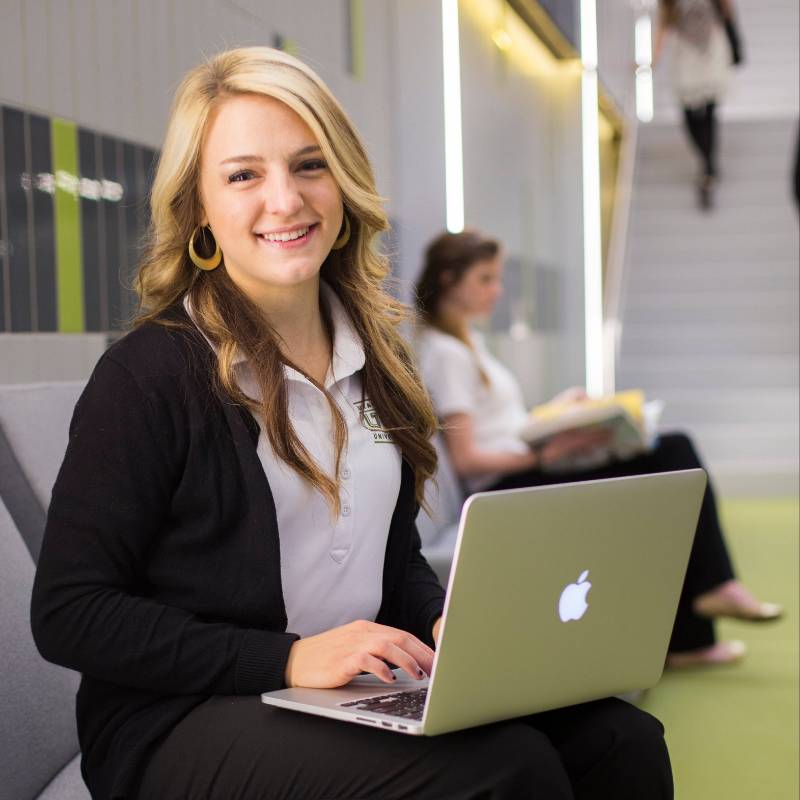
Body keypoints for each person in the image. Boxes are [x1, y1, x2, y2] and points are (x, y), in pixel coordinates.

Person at [30, 48, 673, 800]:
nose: (286, 200)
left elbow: (391, 560)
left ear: (344, 180)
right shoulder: (150, 375)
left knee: (619, 741)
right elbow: (70, 614)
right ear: (197, 207)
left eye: (309, 165)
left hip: (355, 691)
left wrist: (447, 626)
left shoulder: (376, 356)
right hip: (187, 718)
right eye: (243, 175)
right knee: (505, 772)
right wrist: (286, 660)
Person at [414, 229, 782, 671]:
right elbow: (469, 458)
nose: (497, 290)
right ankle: (710, 596)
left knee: (667, 465)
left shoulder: (467, 342)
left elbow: (501, 428)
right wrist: (544, 455)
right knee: (671, 454)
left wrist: (556, 414)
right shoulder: (445, 353)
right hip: (504, 485)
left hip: (521, 468)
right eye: (486, 279)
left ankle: (695, 623)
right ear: (451, 279)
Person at [653, 0, 741, 210]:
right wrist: (652, 60)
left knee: (710, 114)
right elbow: (663, 26)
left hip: (712, 52)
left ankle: (709, 169)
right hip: (685, 56)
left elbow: (728, 13)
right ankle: (707, 164)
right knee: (690, 116)